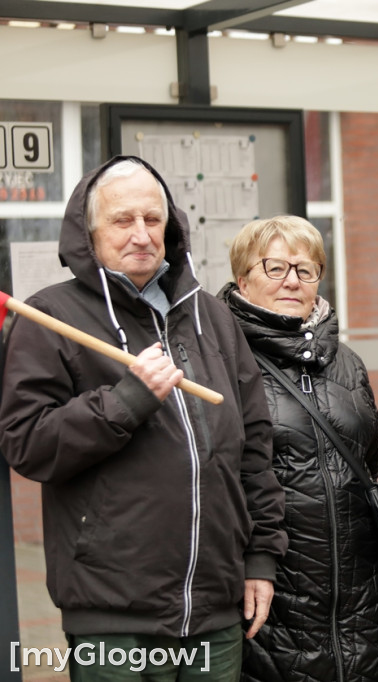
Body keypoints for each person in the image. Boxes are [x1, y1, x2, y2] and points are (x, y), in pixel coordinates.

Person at [0, 156, 287, 678]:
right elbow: (27, 444)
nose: (141, 234)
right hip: (113, 610)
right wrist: (126, 402)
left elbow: (253, 449)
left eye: (152, 220)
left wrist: (260, 559)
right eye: (122, 220)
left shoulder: (212, 317)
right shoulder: (50, 319)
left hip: (216, 604)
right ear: (89, 233)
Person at [220, 216, 378, 682]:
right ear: (243, 278)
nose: (292, 281)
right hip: (273, 580)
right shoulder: (222, 358)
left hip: (362, 582)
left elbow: (369, 455)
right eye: (275, 267)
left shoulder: (347, 362)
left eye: (305, 270)